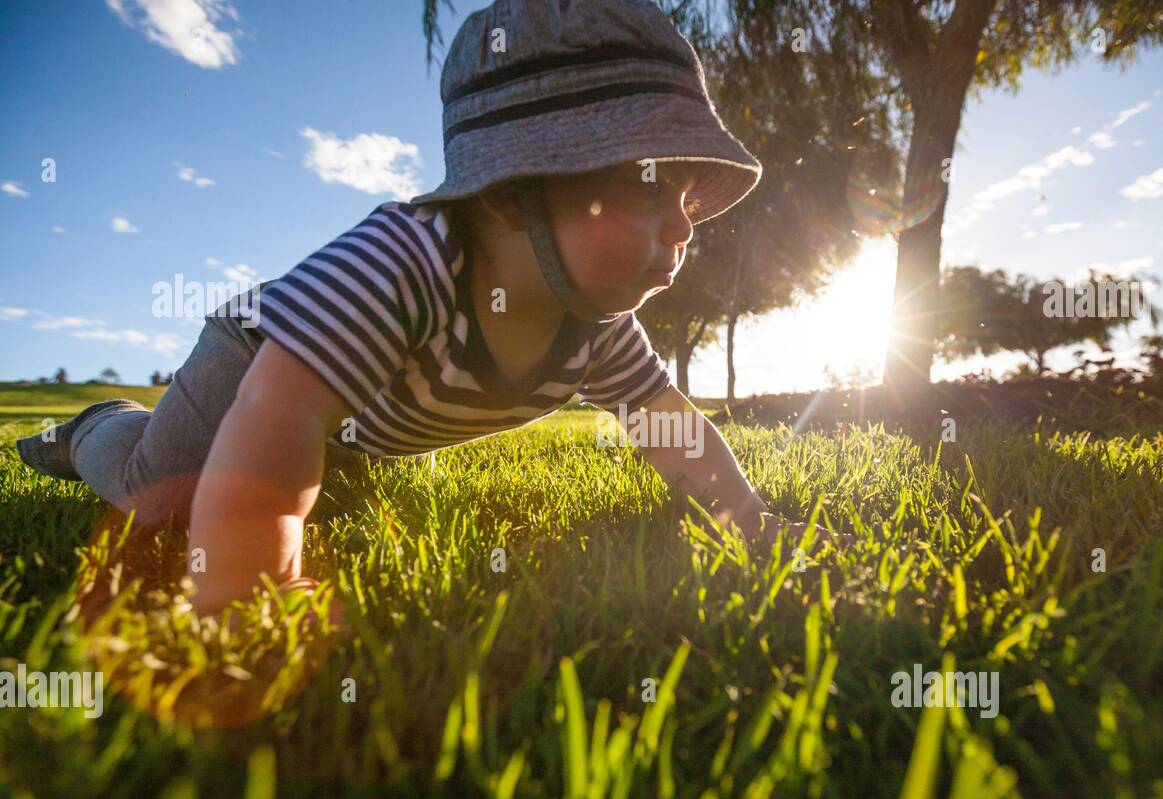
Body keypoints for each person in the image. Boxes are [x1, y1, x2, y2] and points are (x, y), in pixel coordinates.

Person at [14, 0, 836, 619]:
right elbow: (281, 403)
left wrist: (754, 524)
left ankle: (311, 453)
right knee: (162, 502)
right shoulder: (403, 264)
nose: (687, 223)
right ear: (517, 193)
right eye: (653, 186)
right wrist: (249, 589)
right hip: (260, 356)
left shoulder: (598, 327)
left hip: (350, 414)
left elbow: (673, 431)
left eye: (691, 194)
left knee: (314, 460)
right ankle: (93, 427)